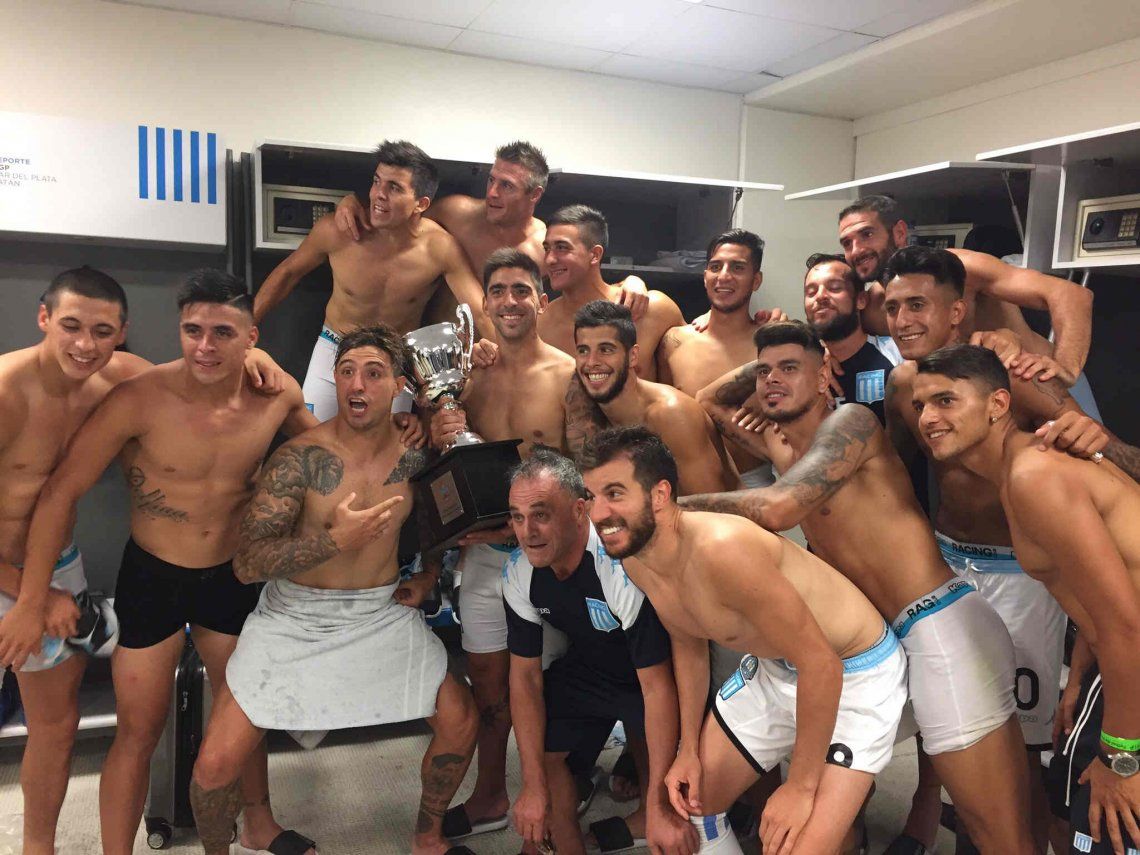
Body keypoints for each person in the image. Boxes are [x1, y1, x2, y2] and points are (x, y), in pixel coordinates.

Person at [682, 321, 1039, 854]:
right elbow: (708, 401)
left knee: (997, 830)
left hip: (938, 629)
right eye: (764, 372)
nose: (772, 380)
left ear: (823, 374)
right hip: (878, 646)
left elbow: (780, 508)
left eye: (789, 368)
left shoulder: (852, 424)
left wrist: (669, 509)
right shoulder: (785, 452)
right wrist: (778, 364)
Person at [8, 270, 319, 855]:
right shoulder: (137, 398)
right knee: (137, 729)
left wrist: (402, 430)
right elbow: (60, 492)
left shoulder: (275, 394)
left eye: (223, 333)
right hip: (152, 576)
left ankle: (259, 822)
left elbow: (331, 453)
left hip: (230, 572)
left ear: (251, 336)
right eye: (192, 330)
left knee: (244, 710)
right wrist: (30, 597)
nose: (205, 346)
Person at [881, 245, 1140, 850]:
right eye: (922, 407)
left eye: (946, 403)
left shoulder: (1033, 467)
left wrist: (1122, 757)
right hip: (1094, 648)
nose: (928, 418)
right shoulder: (1015, 467)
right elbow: (1104, 597)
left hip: (1114, 649)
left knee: (1102, 807)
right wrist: (1081, 677)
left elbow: (1126, 623)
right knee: (1063, 780)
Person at [188, 325, 477, 855]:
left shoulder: (415, 454)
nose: (357, 384)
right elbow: (247, 564)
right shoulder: (299, 458)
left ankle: (428, 836)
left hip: (378, 612)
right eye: (346, 372)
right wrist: (334, 541)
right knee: (212, 768)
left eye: (373, 373)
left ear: (400, 386)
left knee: (460, 721)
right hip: (294, 616)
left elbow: (439, 517)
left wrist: (429, 574)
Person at [580, 426, 907, 855]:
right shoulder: (637, 559)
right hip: (776, 667)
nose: (598, 513)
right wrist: (687, 749)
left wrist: (800, 786)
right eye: (590, 496)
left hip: (853, 672)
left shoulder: (724, 549)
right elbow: (688, 644)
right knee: (690, 805)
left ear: (659, 494)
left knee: (797, 846)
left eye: (614, 494)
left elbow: (821, 664)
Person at [424, 248, 581, 841]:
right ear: (484, 303)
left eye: (521, 290)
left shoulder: (568, 375)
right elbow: (445, 465)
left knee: (552, 685)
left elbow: (585, 470)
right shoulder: (465, 375)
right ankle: (491, 793)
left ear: (541, 299)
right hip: (486, 555)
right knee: (488, 688)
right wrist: (437, 427)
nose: (510, 301)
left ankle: (556, 799)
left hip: (553, 560)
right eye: (498, 291)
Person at [503, 448, 697, 855]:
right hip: (592, 668)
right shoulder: (518, 572)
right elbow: (524, 677)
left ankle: (652, 808)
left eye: (541, 515)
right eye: (517, 518)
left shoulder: (618, 565)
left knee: (679, 802)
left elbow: (657, 686)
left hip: (659, 673)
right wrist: (532, 787)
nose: (527, 532)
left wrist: (659, 806)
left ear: (579, 511)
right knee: (543, 754)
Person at [252, 139, 493, 420]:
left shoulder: (439, 248)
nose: (379, 194)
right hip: (334, 348)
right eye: (377, 182)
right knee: (314, 436)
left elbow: (479, 310)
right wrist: (246, 331)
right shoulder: (339, 231)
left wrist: (514, 359)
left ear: (421, 204)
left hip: (393, 359)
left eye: (394, 188)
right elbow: (287, 273)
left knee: (387, 445)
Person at [332, 141, 651, 322]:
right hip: (434, 352)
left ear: (535, 195)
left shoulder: (543, 246)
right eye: (491, 180)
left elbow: (586, 284)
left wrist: (632, 282)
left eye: (506, 186)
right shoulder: (456, 212)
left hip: (497, 352)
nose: (493, 193)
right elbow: (399, 210)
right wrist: (352, 201)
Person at [836, 194, 1092, 386]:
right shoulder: (874, 307)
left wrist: (1065, 368)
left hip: (1042, 380)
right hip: (979, 398)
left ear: (899, 232)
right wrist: (826, 356)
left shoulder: (959, 267)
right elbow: (841, 337)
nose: (856, 250)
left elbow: (1070, 294)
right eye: (847, 243)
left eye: (867, 234)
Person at [570, 300, 735, 493]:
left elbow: (712, 503)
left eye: (605, 349)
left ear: (632, 356)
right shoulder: (585, 407)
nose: (591, 362)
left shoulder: (671, 414)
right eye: (583, 351)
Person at [655, 229, 775, 489]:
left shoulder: (773, 344)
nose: (724, 276)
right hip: (687, 485)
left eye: (737, 267)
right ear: (705, 276)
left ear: (756, 280)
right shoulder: (674, 341)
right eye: (715, 267)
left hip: (754, 483)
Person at [540, 205, 684, 381]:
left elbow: (701, 348)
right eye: (547, 249)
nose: (550, 259)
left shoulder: (653, 309)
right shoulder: (540, 325)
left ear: (595, 254)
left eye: (562, 248)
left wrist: (709, 316)